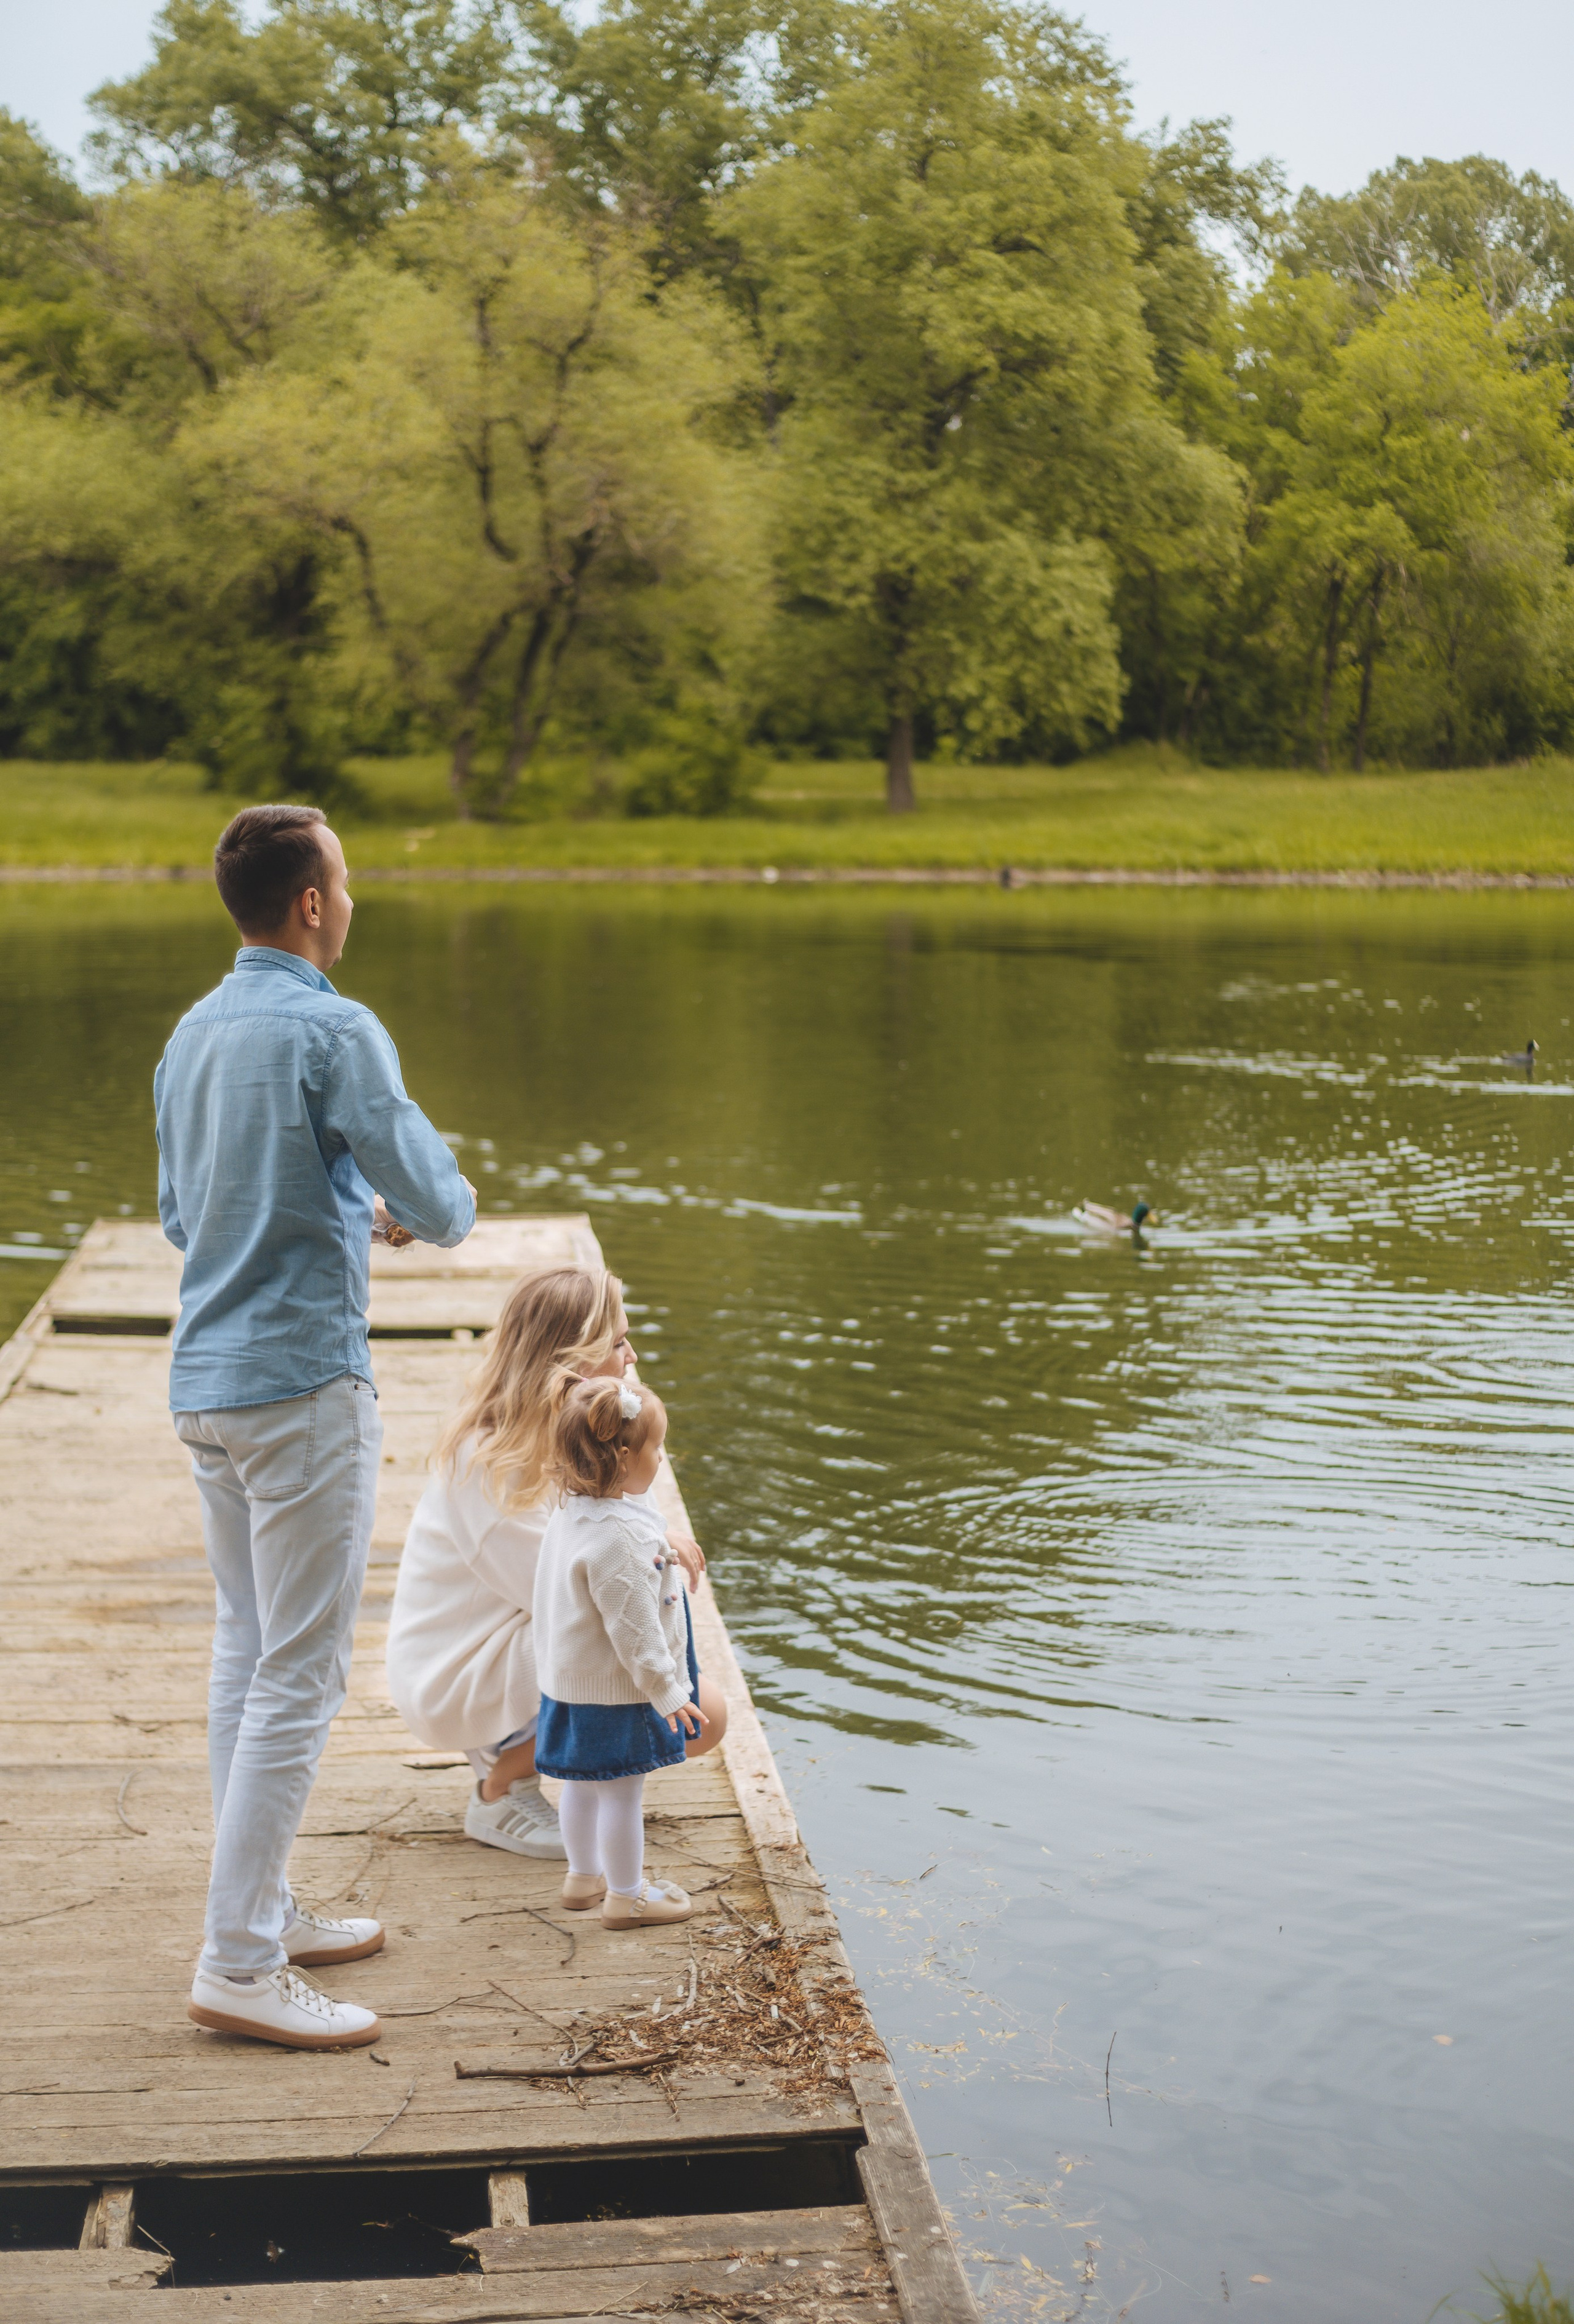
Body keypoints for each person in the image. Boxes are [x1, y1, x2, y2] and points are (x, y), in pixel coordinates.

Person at [156, 803, 476, 2053]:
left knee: (249, 1648)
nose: (352, 898)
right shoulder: (336, 1026)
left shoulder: (191, 1031)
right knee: (300, 1670)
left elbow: (191, 1217)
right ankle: (237, 1956)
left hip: (207, 1382)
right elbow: (442, 1202)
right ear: (309, 903)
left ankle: (263, 1912)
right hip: (301, 1386)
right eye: (344, 880)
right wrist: (394, 1198)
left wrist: (345, 1203)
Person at [385, 1266, 725, 1856]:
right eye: (618, 1343)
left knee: (692, 1702)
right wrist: (655, 1543)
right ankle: (501, 1785)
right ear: (571, 1358)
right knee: (691, 1703)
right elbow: (572, 1590)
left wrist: (654, 1532)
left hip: (518, 1631)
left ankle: (555, 1758)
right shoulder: (487, 1459)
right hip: (459, 1669)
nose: (632, 1355)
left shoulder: (580, 1430)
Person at [534, 1376, 702, 1927]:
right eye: (658, 1447)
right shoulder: (621, 1538)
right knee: (623, 1795)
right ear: (625, 1456)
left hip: (570, 1684)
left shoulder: (571, 1514)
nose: (662, 1457)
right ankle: (627, 1896)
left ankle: (584, 1877)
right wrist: (667, 1690)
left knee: (581, 1783)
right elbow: (635, 1629)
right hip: (618, 1690)